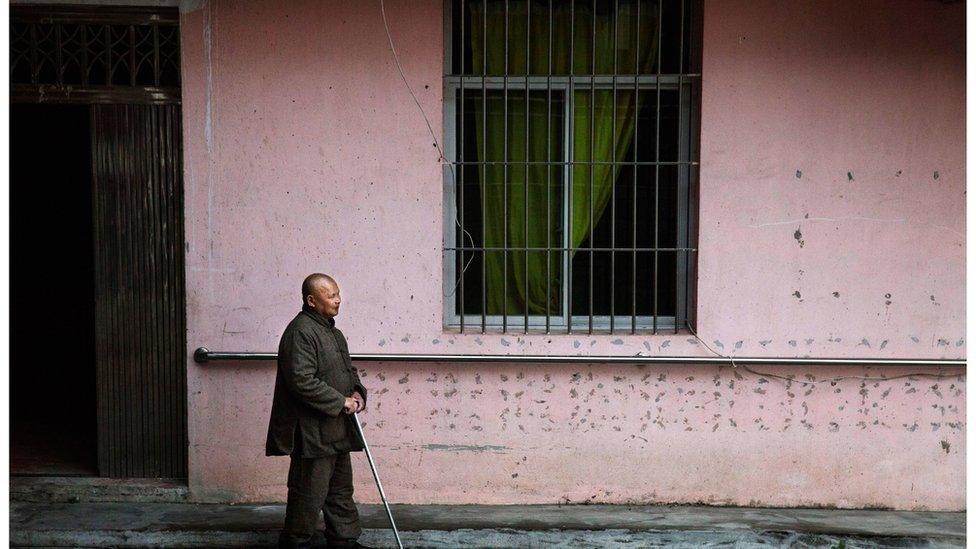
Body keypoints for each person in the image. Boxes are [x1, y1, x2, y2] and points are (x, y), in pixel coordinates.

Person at [266, 273, 371, 549]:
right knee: (308, 493)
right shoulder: (300, 331)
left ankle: (344, 541)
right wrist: (340, 402)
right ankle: (296, 542)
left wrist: (357, 393)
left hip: (337, 428)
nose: (338, 300)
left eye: (338, 293)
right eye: (330, 295)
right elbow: (301, 380)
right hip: (311, 432)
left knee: (340, 491)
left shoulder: (333, 332)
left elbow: (348, 372)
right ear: (312, 300)